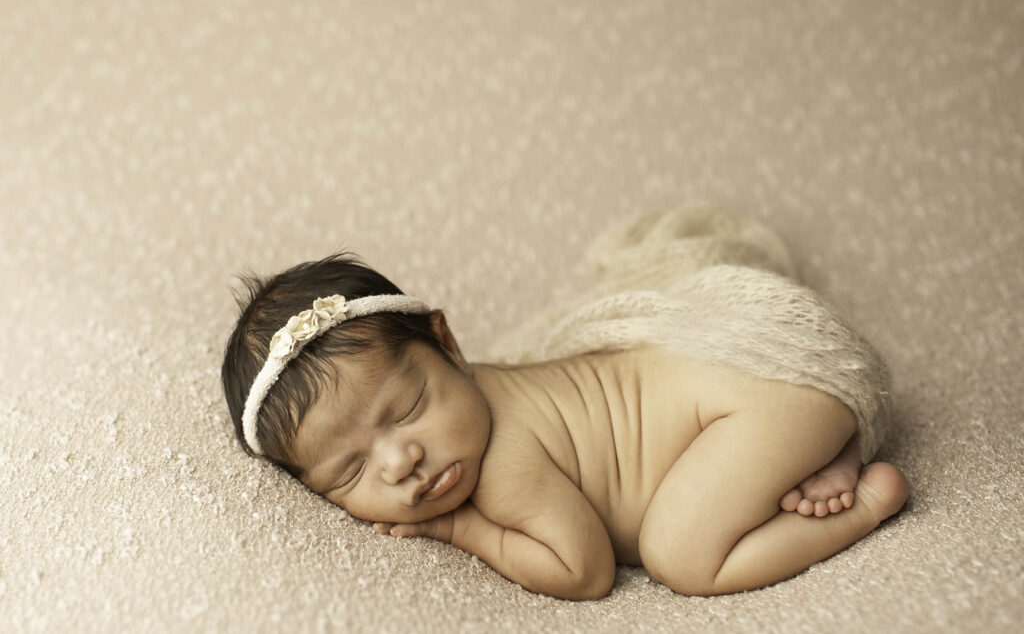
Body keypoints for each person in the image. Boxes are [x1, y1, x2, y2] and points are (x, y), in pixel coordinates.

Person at [220, 207, 908, 600]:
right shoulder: (480, 388)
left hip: (759, 395)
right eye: (349, 472)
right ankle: (821, 442)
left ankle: (867, 495)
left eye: (406, 409)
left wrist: (465, 531)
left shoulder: (504, 464)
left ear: (447, 341)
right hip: (759, 386)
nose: (402, 459)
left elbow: (584, 570)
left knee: (682, 554)